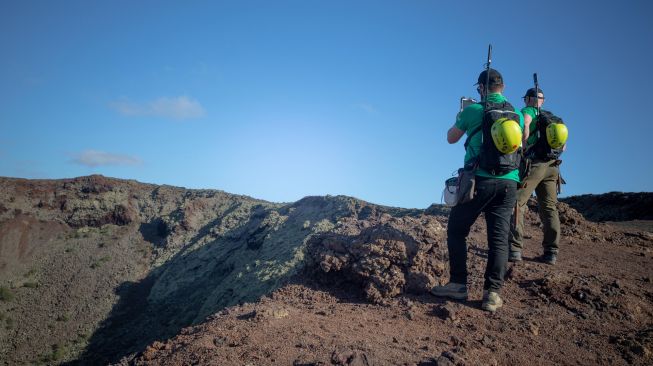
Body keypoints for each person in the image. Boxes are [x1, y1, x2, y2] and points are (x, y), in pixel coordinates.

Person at [431, 68, 524, 312]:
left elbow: (451, 138)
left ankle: (458, 285)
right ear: (502, 87)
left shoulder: (473, 110)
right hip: (509, 183)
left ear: (481, 89)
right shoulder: (517, 115)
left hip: (478, 182)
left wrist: (461, 113)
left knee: (457, 230)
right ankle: (492, 294)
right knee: (498, 239)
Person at [508, 88, 563, 265]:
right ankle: (551, 252)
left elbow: (525, 124)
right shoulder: (553, 118)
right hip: (553, 166)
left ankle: (515, 249)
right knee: (549, 208)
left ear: (528, 100)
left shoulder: (528, 111)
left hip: (534, 165)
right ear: (542, 101)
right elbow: (564, 146)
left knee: (517, 202)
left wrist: (523, 146)